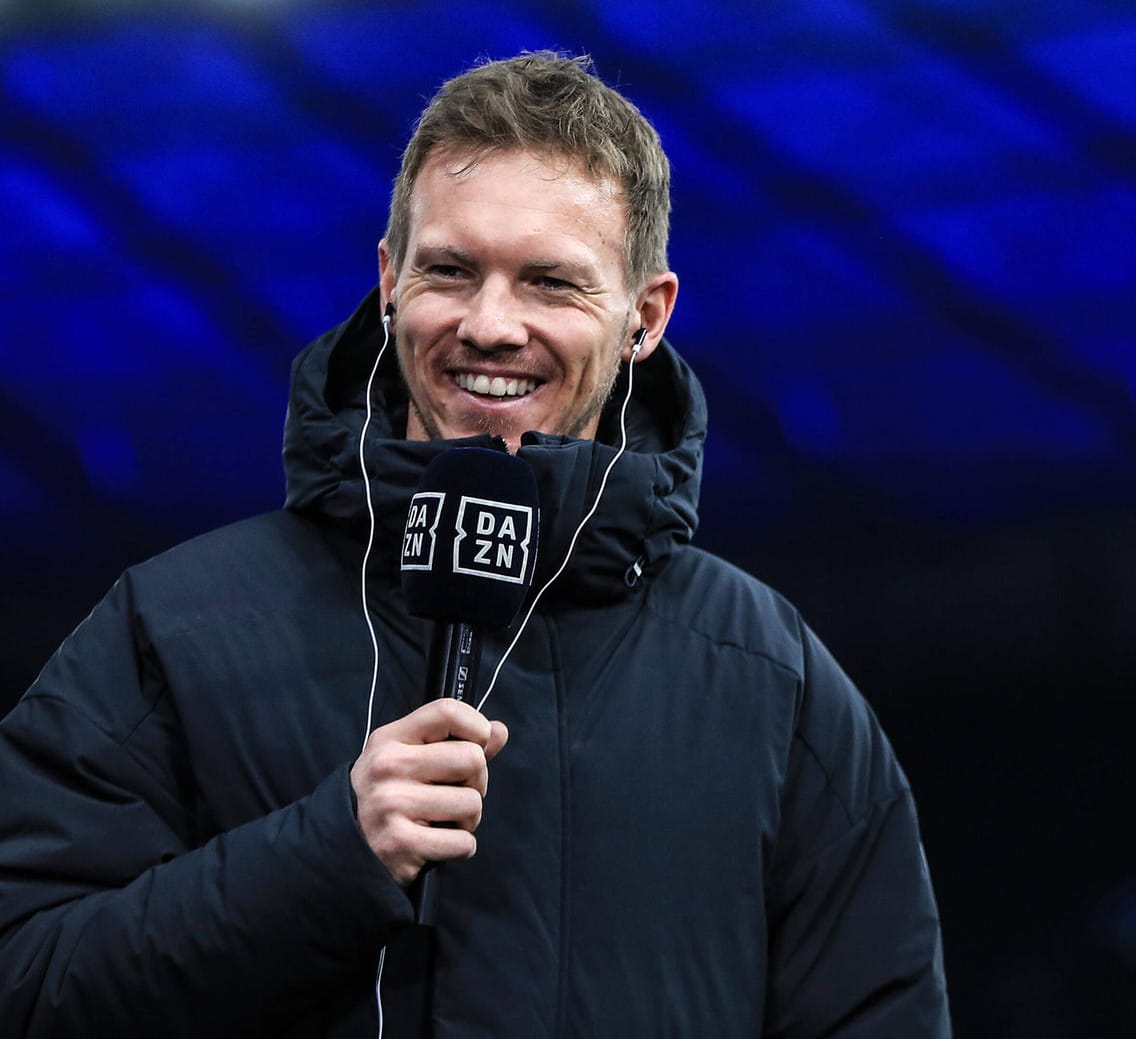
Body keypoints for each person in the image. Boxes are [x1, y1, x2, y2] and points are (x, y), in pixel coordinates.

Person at [0, 52, 949, 1038]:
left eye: (550, 282)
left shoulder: (772, 678)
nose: (490, 325)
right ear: (386, 281)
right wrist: (324, 857)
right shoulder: (175, 627)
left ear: (645, 317)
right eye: (450, 270)